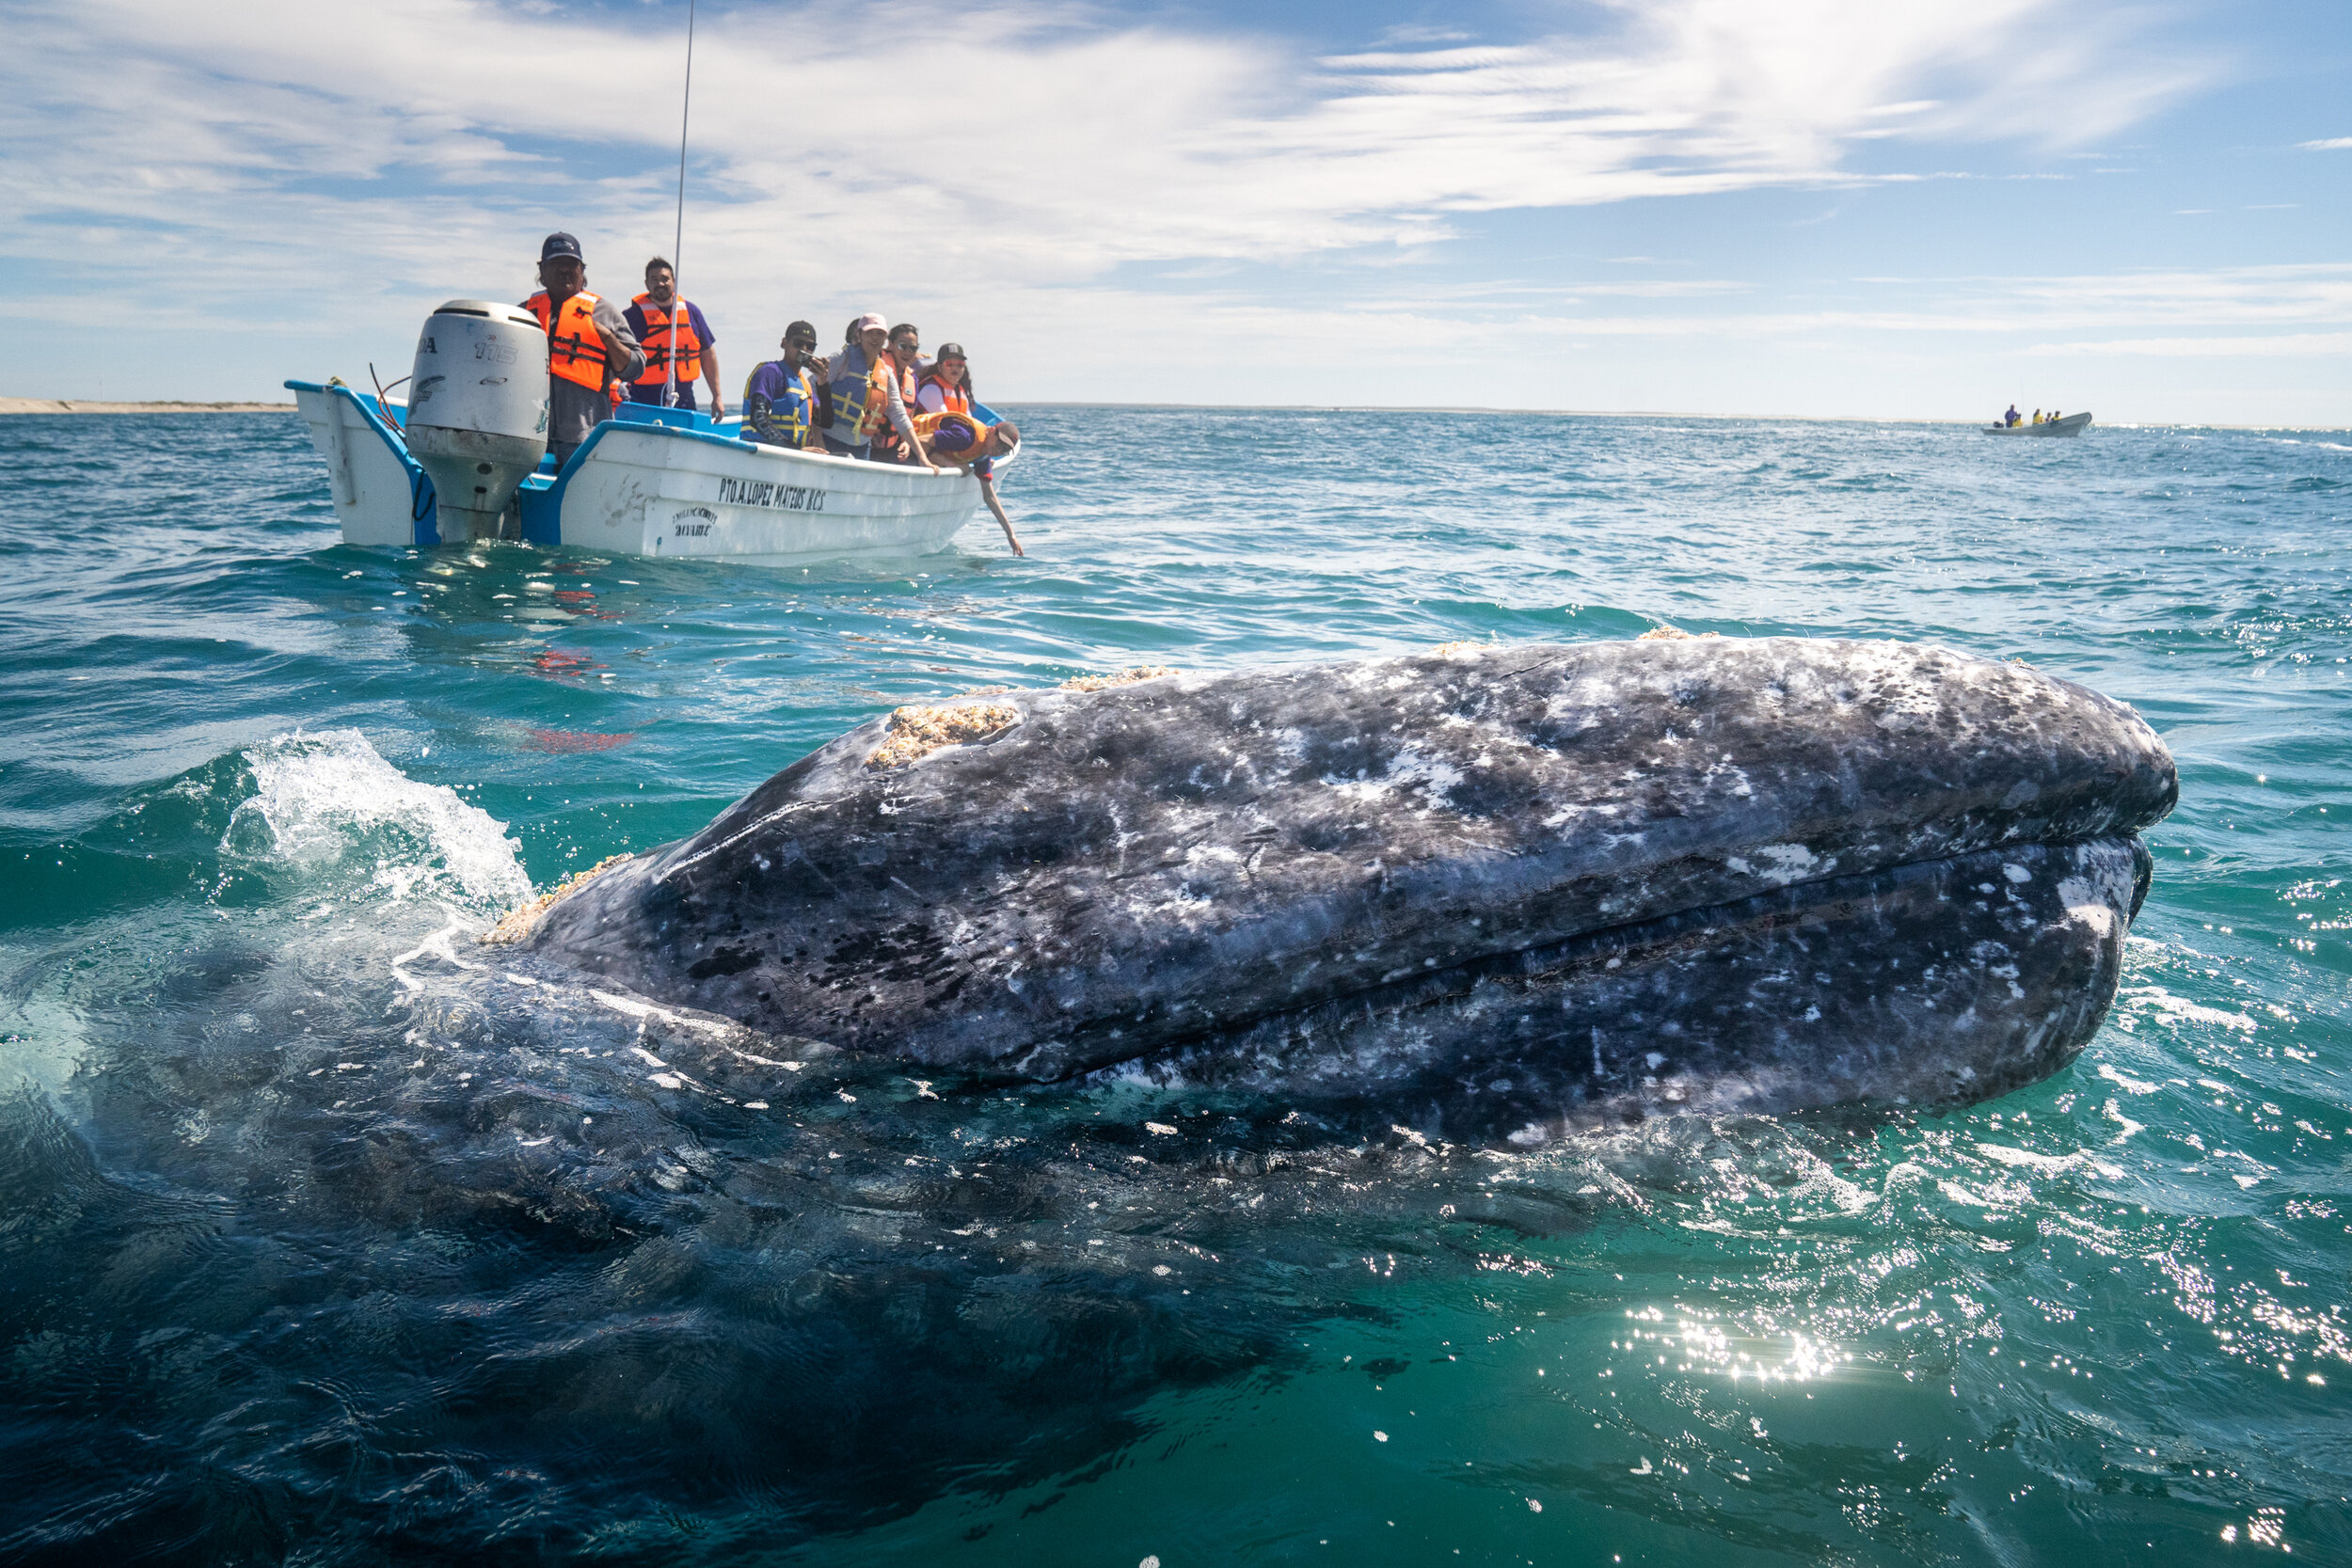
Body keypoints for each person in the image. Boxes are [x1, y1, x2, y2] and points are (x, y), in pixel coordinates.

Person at [521, 232, 644, 468]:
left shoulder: (603, 311)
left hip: (583, 436)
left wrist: (607, 338)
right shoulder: (524, 313)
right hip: (530, 434)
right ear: (542, 271)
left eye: (572, 265)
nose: (565, 271)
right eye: (557, 264)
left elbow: (636, 367)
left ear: (582, 271)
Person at [915, 345, 1022, 555]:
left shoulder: (982, 450)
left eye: (960, 364)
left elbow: (989, 496)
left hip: (946, 442)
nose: (998, 450)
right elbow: (922, 441)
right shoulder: (965, 436)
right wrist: (950, 465)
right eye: (950, 363)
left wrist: (1011, 534)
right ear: (990, 431)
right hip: (917, 442)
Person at [822, 313, 934, 468]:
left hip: (862, 448)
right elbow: (813, 392)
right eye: (869, 333)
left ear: (885, 339)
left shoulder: (886, 373)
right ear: (859, 335)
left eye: (880, 334)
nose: (874, 338)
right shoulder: (841, 360)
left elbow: (899, 414)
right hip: (830, 441)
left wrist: (922, 457)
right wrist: (817, 442)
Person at [623, 257, 723, 417]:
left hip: (684, 398)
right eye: (654, 279)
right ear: (646, 284)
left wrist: (717, 396)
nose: (660, 283)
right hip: (643, 399)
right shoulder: (631, 316)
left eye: (665, 279)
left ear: (674, 281)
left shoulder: (692, 312)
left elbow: (708, 354)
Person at [741, 321, 824, 450]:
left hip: (793, 457)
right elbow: (758, 418)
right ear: (784, 343)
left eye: (810, 346)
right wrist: (797, 450)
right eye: (798, 343)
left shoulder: (805, 384)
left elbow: (825, 421)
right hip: (763, 453)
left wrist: (823, 381)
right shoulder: (769, 373)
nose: (804, 349)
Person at [871, 324, 926, 462]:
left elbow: (909, 417)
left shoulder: (912, 380)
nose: (908, 352)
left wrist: (907, 443)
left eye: (913, 348)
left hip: (893, 449)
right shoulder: (874, 367)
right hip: (867, 445)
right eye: (903, 346)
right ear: (891, 344)